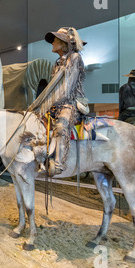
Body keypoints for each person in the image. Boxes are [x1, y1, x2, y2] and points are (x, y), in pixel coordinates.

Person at [44, 27, 87, 175]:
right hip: (55, 104)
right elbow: (52, 88)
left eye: (55, 40)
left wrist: (50, 103)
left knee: (61, 127)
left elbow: (67, 89)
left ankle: (58, 163)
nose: (52, 43)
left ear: (63, 43)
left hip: (70, 103)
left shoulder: (75, 58)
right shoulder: (57, 63)